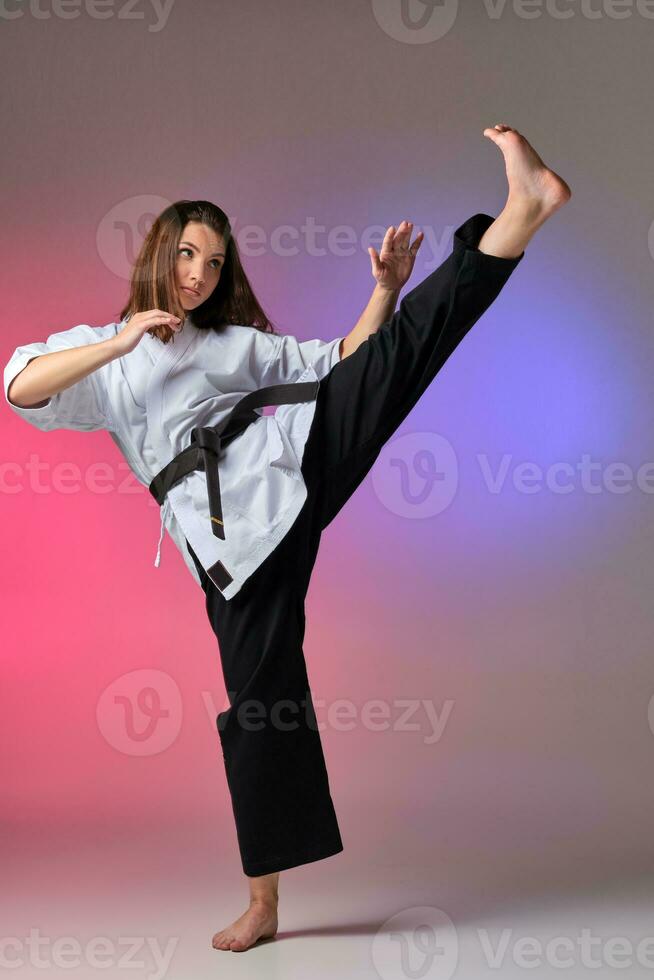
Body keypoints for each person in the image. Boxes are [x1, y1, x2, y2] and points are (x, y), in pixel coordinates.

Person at [4, 124, 570, 953]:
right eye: (191, 255)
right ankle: (264, 903)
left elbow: (340, 357)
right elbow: (19, 385)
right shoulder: (106, 367)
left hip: (291, 470)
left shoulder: (226, 343)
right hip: (235, 558)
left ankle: (522, 214)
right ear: (161, 253)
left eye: (216, 262)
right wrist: (119, 339)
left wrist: (385, 290)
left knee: (399, 357)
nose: (202, 275)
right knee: (262, 710)